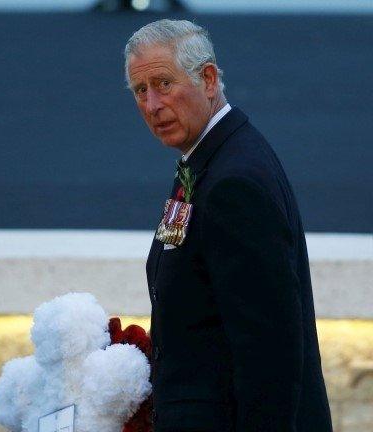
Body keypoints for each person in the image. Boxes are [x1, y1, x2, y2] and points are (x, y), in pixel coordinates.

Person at [124, 20, 332, 431]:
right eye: (140, 91)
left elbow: (269, 351)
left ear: (208, 79)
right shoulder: (209, 158)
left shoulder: (234, 181)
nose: (151, 105)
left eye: (164, 84)